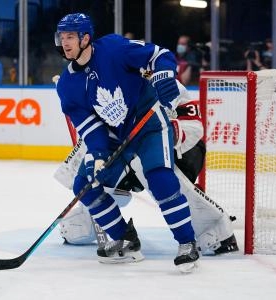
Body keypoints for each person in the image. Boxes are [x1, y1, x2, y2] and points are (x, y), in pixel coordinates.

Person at [55, 13, 200, 272]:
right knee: (85, 185)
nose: (64, 43)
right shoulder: (66, 85)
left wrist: (165, 74)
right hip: (114, 136)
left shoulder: (113, 49)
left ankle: (187, 244)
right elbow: (90, 127)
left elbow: (158, 54)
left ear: (85, 38)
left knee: (160, 178)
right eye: (61, 37)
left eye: (70, 37)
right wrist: (98, 155)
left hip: (148, 123)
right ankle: (126, 239)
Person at [56, 79, 239, 256]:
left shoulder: (167, 83)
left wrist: (158, 134)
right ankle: (84, 225)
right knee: (94, 172)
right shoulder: (109, 87)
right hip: (130, 154)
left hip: (183, 152)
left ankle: (214, 229)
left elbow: (194, 127)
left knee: (153, 170)